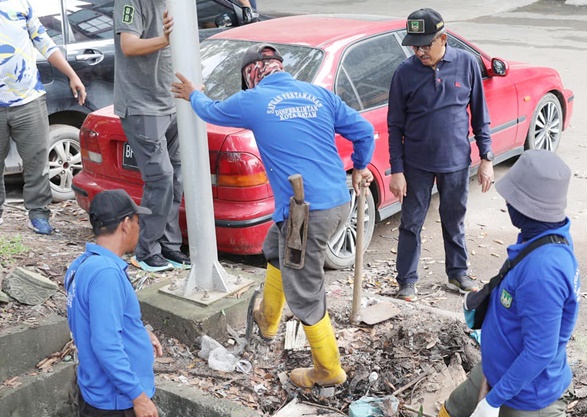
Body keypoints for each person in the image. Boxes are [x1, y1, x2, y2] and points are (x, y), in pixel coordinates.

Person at [171, 43, 375, 388]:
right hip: (337, 203)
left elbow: (210, 111)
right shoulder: (317, 94)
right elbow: (364, 132)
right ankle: (267, 321)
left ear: (251, 76)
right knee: (275, 246)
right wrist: (359, 166)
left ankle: (328, 370)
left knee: (305, 290)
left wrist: (192, 94)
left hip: (306, 214)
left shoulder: (253, 99)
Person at [392, 150, 581, 417]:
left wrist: (494, 400)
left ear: (526, 207)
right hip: (499, 369)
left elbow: (540, 351)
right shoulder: (538, 238)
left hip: (527, 396)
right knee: (457, 407)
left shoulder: (545, 271)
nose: (505, 203)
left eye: (511, 198)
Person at [387, 7, 494, 302]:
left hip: (457, 161)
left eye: (425, 45)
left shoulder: (467, 64)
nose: (419, 51)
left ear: (443, 38)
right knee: (411, 223)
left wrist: (486, 157)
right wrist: (397, 170)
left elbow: (480, 115)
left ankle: (457, 272)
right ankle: (406, 280)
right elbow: (394, 125)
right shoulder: (404, 73)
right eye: (414, 45)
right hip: (415, 164)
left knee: (454, 218)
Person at [65, 189, 163, 417]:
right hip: (118, 408)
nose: (138, 228)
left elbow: (94, 319)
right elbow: (106, 345)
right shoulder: (106, 273)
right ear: (125, 224)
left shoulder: (82, 264)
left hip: (98, 398)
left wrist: (139, 331)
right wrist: (138, 397)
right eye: (137, 221)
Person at [114, 0, 190, 272]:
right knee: (161, 178)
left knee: (177, 177)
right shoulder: (131, 2)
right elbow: (129, 45)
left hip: (171, 101)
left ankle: (169, 245)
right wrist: (165, 40)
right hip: (141, 105)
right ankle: (146, 250)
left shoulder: (176, 3)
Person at [0, 0, 86, 234]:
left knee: (37, 162)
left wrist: (72, 75)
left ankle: (38, 214)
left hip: (28, 99)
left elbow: (43, 41)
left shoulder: (21, 4)